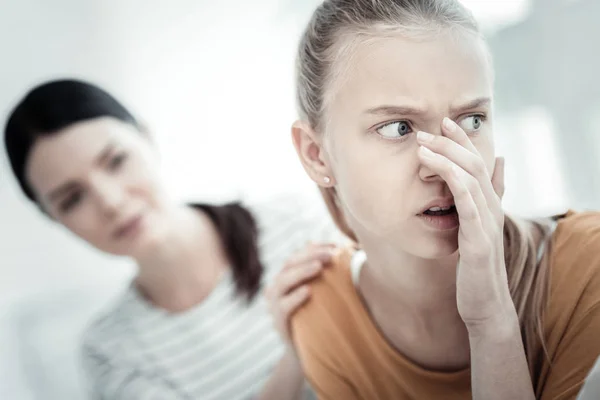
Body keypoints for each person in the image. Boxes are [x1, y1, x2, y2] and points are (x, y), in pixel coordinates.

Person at [267, 0, 600, 399]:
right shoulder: (323, 314)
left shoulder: (589, 269)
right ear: (316, 154)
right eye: (397, 128)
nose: (443, 165)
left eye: (471, 121)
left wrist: (491, 322)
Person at [3, 79, 345, 400]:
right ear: (54, 219)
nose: (111, 202)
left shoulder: (300, 222)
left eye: (117, 161)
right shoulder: (111, 354)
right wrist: (299, 354)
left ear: (147, 139)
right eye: (73, 199)